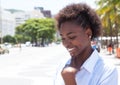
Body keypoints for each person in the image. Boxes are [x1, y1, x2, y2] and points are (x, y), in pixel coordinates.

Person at [54, 3, 118, 85]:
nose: (66, 44)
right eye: (63, 38)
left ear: (88, 33)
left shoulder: (107, 71)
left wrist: (70, 81)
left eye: (72, 37)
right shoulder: (62, 66)